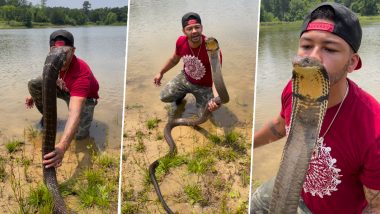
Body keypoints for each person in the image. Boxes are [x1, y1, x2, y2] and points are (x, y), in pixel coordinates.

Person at [251, 2, 380, 213]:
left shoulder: (373, 128)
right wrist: (250, 145)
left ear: (352, 63)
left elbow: (376, 206)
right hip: (295, 188)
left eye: (329, 49)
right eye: (306, 45)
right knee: (255, 203)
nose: (313, 57)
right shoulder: (294, 88)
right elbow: (281, 125)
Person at [25, 29, 99, 168]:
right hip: (63, 87)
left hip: (85, 98)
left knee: (80, 136)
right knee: (34, 84)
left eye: (66, 51)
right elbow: (45, 80)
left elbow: (74, 113)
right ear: (50, 50)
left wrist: (63, 146)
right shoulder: (54, 61)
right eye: (55, 50)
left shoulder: (81, 74)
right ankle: (49, 118)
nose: (61, 57)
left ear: (73, 50)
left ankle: (78, 138)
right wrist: (33, 95)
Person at [153, 12, 221, 113]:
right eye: (189, 28)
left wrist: (217, 99)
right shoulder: (181, 41)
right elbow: (174, 59)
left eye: (197, 27)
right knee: (164, 96)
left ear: (202, 28)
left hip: (204, 86)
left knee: (205, 113)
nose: (194, 31)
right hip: (186, 78)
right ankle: (181, 94)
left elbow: (217, 78)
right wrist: (161, 72)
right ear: (184, 31)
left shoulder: (211, 47)